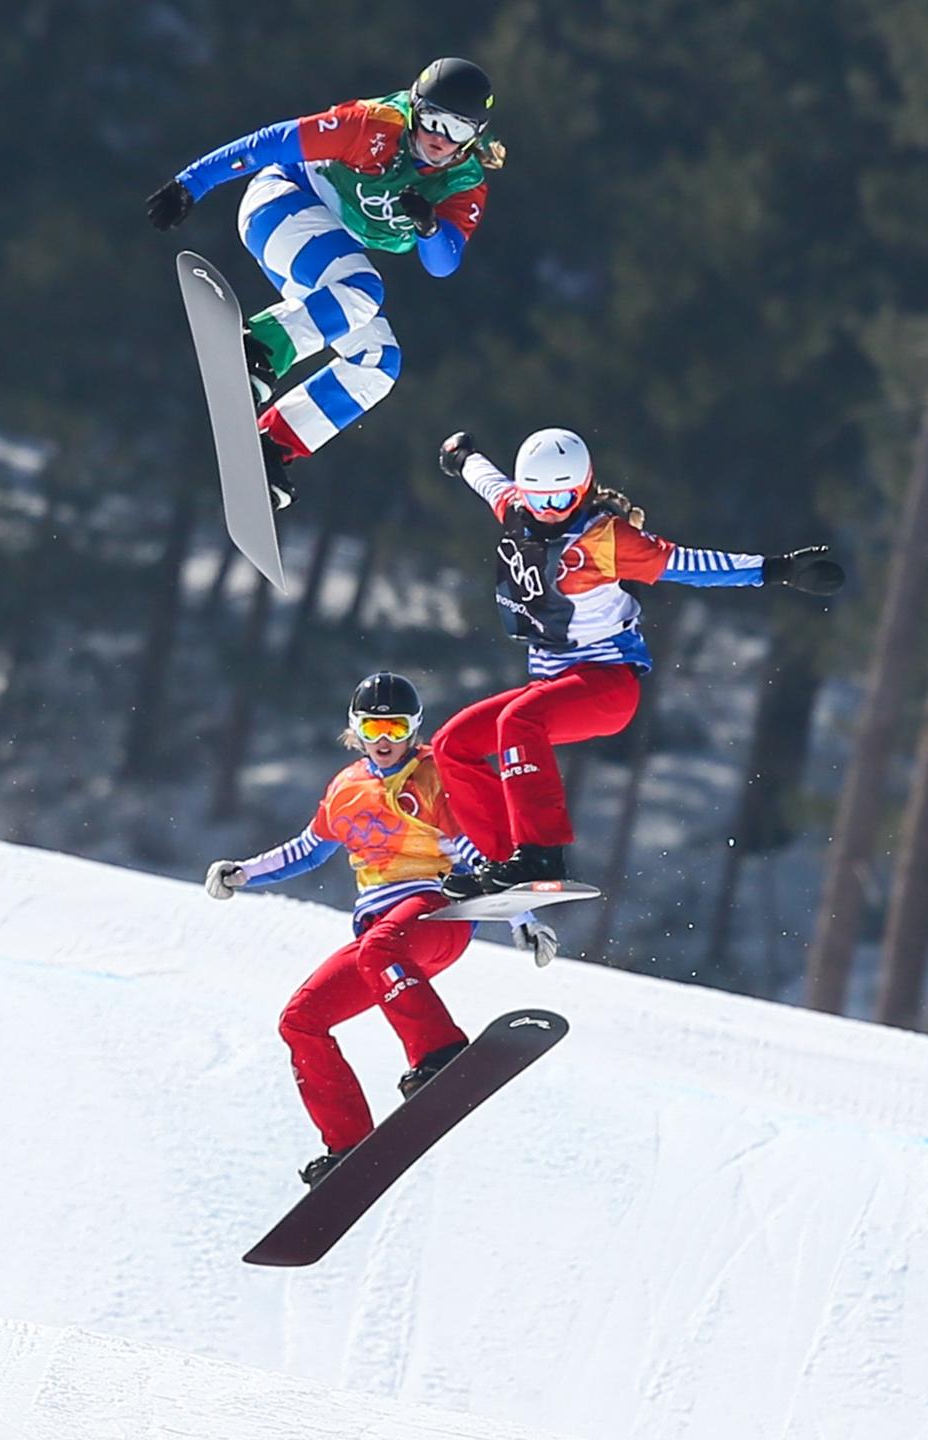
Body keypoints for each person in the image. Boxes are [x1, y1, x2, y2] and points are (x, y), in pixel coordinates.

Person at [429, 428, 846, 896]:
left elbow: (688, 564)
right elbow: (488, 480)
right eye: (540, 498)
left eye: (565, 496)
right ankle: (502, 860)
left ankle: (541, 854)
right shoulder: (515, 511)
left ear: (584, 486)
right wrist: (463, 455)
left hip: (605, 685)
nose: (551, 510)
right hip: (551, 687)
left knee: (517, 721)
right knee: (453, 743)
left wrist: (776, 570)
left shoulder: (605, 539)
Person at [203, 673, 551, 1186]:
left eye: (395, 727)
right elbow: (308, 848)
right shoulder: (347, 789)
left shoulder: (435, 775)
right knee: (301, 1019)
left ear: (414, 729)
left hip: (437, 913)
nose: (384, 739)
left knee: (379, 948)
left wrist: (519, 913)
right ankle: (347, 1144)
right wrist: (246, 872)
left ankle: (440, 1053)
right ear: (356, 729)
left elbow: (476, 852)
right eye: (373, 727)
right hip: (382, 940)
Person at [147, 58, 502, 503]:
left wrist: (430, 228)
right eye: (431, 120)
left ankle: (272, 444)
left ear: (475, 136)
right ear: (413, 109)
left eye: (456, 130)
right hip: (279, 205)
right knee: (364, 290)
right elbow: (272, 142)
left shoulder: (464, 182)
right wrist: (191, 184)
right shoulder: (372, 126)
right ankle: (257, 348)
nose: (438, 138)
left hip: (319, 246)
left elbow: (443, 264)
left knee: (379, 361)